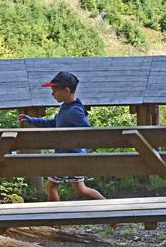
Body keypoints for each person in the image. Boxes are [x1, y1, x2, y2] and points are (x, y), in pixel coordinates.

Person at [18, 71, 106, 202]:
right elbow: (54, 123)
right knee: (81, 189)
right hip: (74, 157)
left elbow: (87, 131)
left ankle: (56, 219)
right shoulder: (67, 107)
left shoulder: (74, 111)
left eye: (54, 90)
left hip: (68, 157)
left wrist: (70, 141)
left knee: (51, 186)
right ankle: (106, 205)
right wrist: (32, 120)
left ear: (66, 90)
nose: (52, 93)